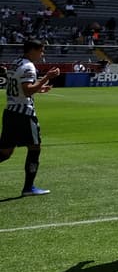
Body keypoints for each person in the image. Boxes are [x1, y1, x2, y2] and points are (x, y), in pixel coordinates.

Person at [0, 39, 60, 196]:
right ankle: (28, 188)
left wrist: (39, 89)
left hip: (10, 112)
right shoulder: (29, 67)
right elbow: (27, 91)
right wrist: (47, 77)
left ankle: (29, 187)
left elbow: (19, 88)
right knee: (35, 148)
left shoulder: (16, 63)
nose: (42, 54)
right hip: (24, 114)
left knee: (5, 153)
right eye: (41, 50)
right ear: (32, 50)